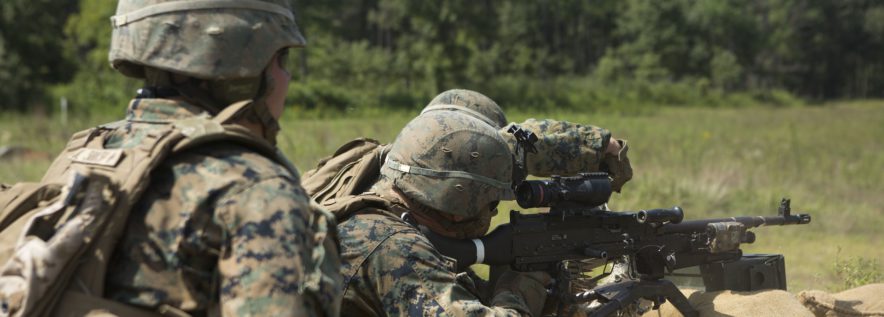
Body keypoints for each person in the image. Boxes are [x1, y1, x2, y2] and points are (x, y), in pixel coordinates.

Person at [47, 1, 341, 316]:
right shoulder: (256, 189)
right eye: (281, 58)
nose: (287, 77)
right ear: (241, 65)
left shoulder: (80, 155)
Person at [334, 111, 551, 316]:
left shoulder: (368, 216)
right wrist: (518, 292)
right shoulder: (397, 248)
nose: (492, 213)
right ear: (460, 205)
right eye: (492, 203)